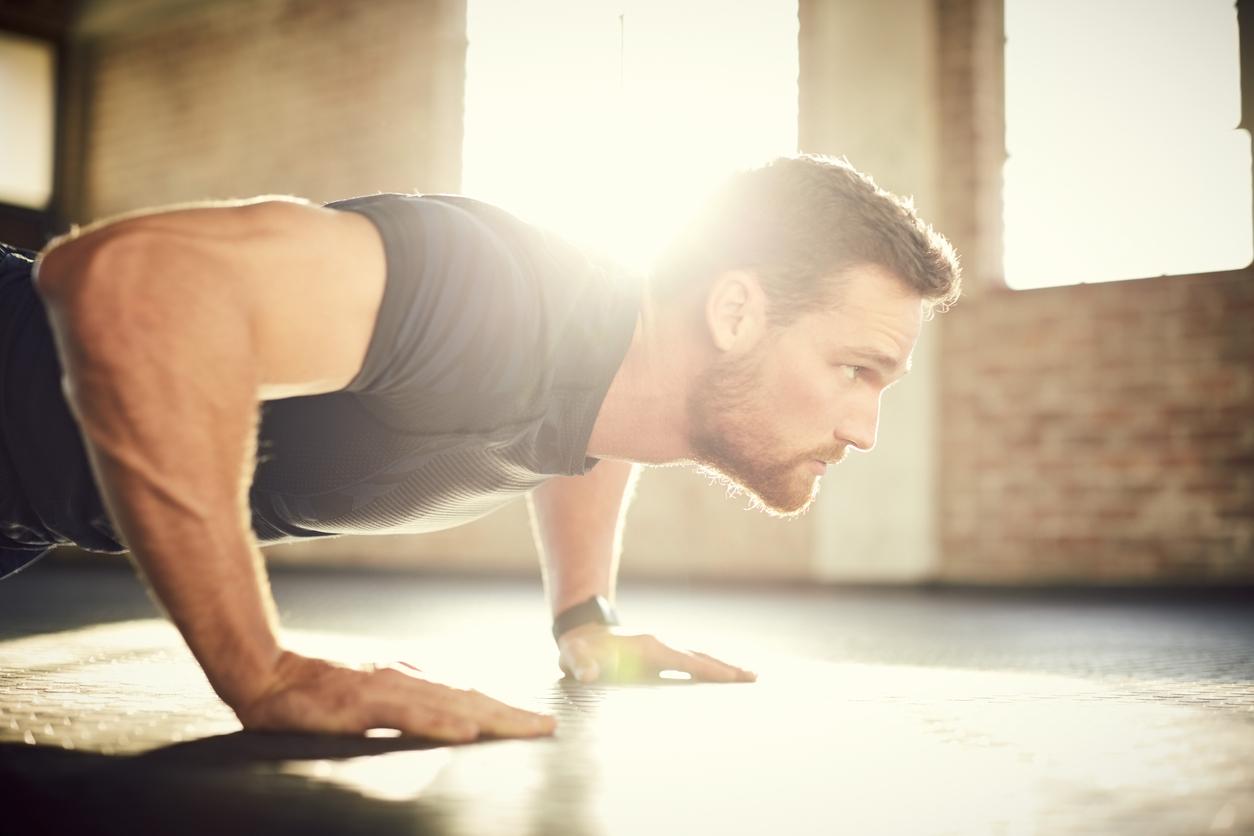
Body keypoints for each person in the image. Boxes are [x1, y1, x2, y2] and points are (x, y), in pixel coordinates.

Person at [0, 154, 961, 743]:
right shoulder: (493, 295)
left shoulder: (626, 363)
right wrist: (262, 670)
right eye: (855, 371)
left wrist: (585, 617)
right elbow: (126, 281)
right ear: (738, 310)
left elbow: (602, 433)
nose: (863, 429)